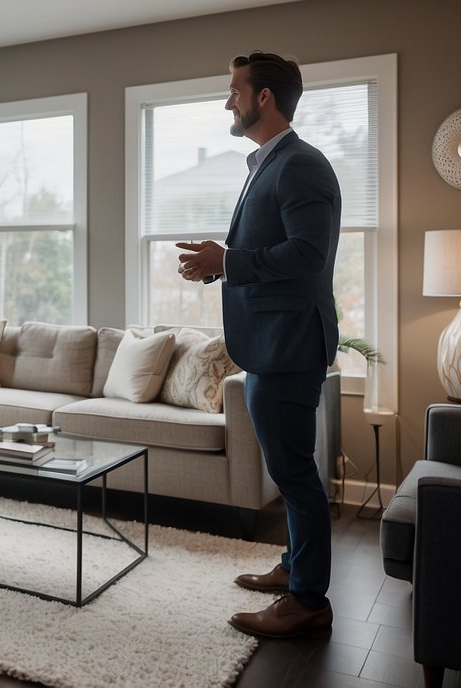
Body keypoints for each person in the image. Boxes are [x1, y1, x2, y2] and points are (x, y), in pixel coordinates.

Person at [175, 51, 341, 638]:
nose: (228, 100)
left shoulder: (300, 165)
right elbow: (275, 251)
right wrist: (219, 266)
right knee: (289, 468)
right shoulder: (267, 165)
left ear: (263, 97)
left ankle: (307, 601)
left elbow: (308, 254)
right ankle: (294, 568)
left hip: (289, 346)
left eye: (234, 90)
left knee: (295, 475)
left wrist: (231, 259)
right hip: (273, 342)